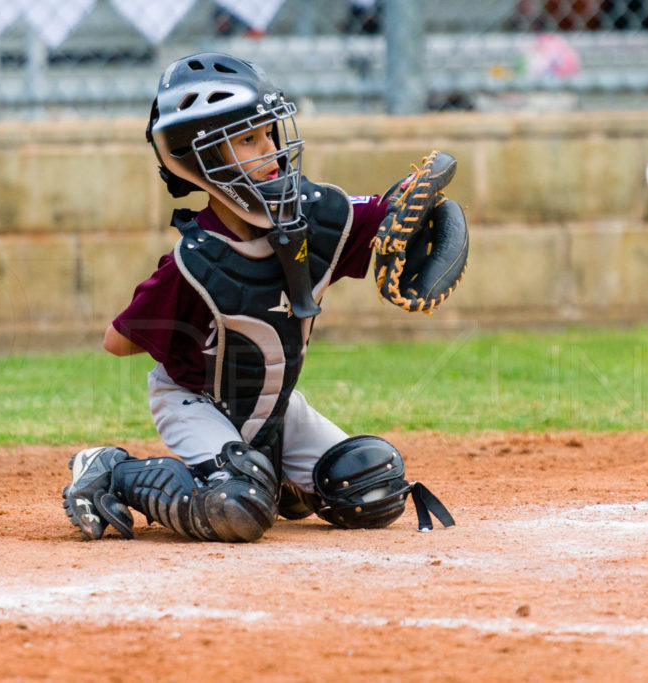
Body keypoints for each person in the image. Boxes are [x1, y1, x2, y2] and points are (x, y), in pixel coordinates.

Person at [61, 53, 464, 543]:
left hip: (275, 405)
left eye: (269, 133)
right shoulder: (195, 263)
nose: (271, 149)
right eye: (249, 139)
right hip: (195, 401)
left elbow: (387, 219)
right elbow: (116, 341)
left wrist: (421, 220)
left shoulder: (316, 217)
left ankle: (271, 478)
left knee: (373, 487)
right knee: (237, 507)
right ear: (200, 157)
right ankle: (113, 471)